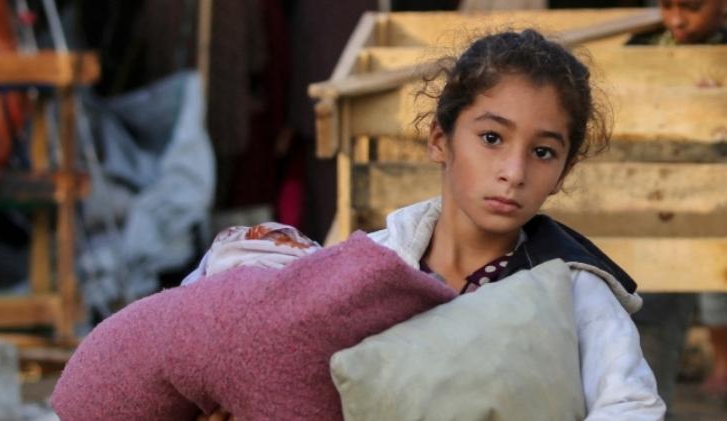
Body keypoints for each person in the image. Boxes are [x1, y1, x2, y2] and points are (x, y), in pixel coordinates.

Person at [203, 29, 665, 420]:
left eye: (543, 151)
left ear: (562, 173)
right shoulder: (374, 265)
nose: (514, 171)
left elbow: (630, 406)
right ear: (440, 140)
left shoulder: (576, 290)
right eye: (491, 138)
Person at [627, 0, 726, 413]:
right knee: (654, 319)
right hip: (658, 208)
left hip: (717, 207)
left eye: (691, 7)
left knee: (717, 296)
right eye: (667, 6)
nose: (677, 19)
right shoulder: (642, 47)